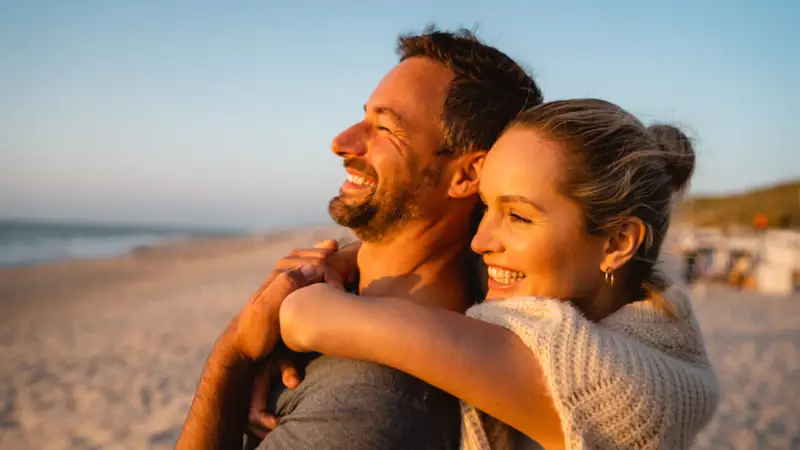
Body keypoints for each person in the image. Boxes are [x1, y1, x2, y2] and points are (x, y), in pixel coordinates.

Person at [273, 99, 721, 449]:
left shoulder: (604, 382)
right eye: (486, 207)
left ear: (618, 242)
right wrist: (353, 256)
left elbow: (306, 315)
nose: (481, 241)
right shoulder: (652, 332)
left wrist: (259, 340)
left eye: (519, 217)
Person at [175, 27, 542, 450]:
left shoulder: (366, 407)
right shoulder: (337, 298)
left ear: (466, 175)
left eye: (385, 128)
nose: (341, 142)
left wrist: (234, 353)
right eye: (364, 116)